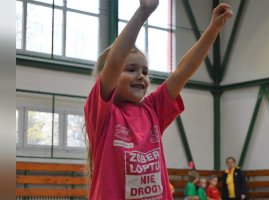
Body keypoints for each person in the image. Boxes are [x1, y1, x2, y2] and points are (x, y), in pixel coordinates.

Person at [84, 0, 233, 199]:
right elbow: (115, 62)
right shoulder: (103, 114)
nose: (141, 76)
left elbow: (181, 72)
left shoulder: (152, 109)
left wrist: (213, 29)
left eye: (145, 71)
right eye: (131, 69)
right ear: (106, 76)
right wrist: (143, 11)